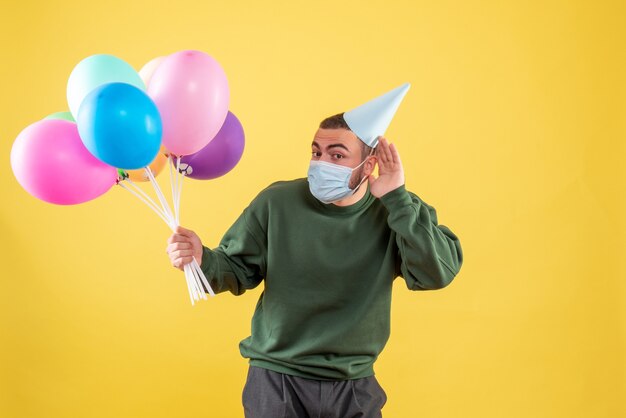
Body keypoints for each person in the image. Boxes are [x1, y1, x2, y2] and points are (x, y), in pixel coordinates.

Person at [166, 84, 463, 417]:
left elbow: (437, 273)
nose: (322, 163)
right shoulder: (277, 202)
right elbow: (236, 268)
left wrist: (396, 197)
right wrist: (200, 258)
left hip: (354, 386)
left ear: (368, 166)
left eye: (337, 155)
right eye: (316, 152)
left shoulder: (396, 212)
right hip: (277, 380)